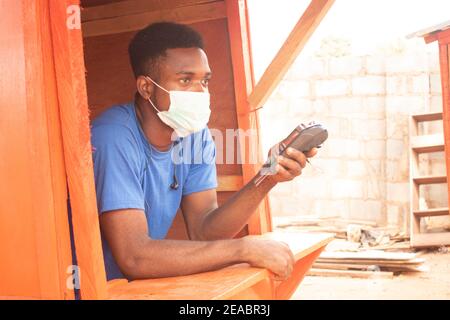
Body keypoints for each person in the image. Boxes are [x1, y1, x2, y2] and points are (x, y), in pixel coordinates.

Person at [91, 22, 317, 281]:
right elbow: (135, 257)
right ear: (146, 88)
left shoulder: (194, 135)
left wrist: (268, 176)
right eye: (186, 80)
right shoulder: (112, 135)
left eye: (205, 81)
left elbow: (205, 231)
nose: (200, 92)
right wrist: (244, 248)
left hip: (140, 289)